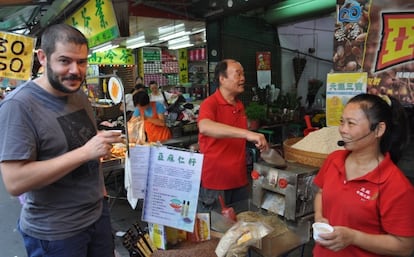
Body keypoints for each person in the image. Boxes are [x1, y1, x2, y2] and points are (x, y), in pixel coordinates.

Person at [0, 23, 123, 257]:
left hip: (97, 217)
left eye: (82, 61)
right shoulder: (18, 106)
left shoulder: (78, 96)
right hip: (56, 233)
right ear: (43, 57)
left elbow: (86, 146)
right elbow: (15, 181)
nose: (75, 70)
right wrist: (86, 152)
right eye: (65, 61)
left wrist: (101, 192)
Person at [313, 93, 414, 257]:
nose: (343, 130)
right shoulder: (334, 160)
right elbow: (321, 192)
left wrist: (353, 237)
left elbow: (405, 247)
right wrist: (319, 216)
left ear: (379, 129)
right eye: (342, 122)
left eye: (351, 124)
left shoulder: (396, 185)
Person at [197, 59, 269, 212]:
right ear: (222, 79)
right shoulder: (210, 103)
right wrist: (247, 133)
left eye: (242, 74)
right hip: (216, 184)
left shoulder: (239, 105)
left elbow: (233, 135)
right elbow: (204, 126)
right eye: (238, 74)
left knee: (241, 228)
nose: (242, 78)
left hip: (239, 180)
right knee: (218, 232)